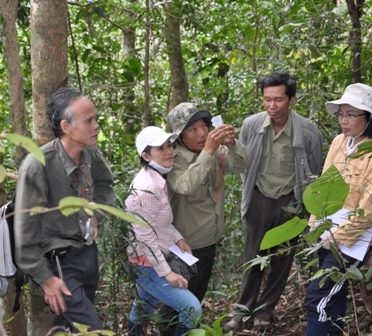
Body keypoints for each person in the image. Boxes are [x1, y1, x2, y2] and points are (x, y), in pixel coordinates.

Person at [223, 71, 323, 332]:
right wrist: (232, 145)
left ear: (292, 99)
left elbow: (314, 171)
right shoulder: (251, 125)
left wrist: (309, 211)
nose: (272, 106)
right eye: (267, 99)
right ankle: (242, 311)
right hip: (259, 199)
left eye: (278, 99)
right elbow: (240, 165)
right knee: (252, 259)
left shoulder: (308, 131)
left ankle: (265, 310)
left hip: (291, 203)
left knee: (281, 260)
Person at [14, 86, 114, 333]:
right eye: (89, 120)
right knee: (93, 330)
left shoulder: (89, 151)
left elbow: (105, 182)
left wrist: (96, 214)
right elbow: (24, 229)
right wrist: (46, 279)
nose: (96, 126)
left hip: (88, 252)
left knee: (68, 328)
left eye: (95, 119)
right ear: (66, 126)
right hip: (59, 263)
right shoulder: (38, 164)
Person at [304, 83, 372, 336]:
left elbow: (368, 207)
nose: (344, 120)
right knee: (334, 295)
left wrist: (338, 236)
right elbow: (323, 186)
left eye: (352, 114)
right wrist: (316, 227)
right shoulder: (339, 143)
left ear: (368, 117)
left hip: (355, 237)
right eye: (341, 114)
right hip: (328, 232)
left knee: (319, 297)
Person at [166, 103, 248, 302]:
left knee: (196, 295)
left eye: (204, 126)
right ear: (179, 136)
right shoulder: (172, 159)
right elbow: (185, 186)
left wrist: (231, 143)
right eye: (193, 129)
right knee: (180, 301)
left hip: (209, 239)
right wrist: (208, 153)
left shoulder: (215, 151)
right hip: (184, 245)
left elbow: (240, 165)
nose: (202, 133)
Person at [126, 126, 201, 336]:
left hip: (153, 258)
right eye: (160, 148)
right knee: (192, 308)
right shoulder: (147, 187)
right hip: (148, 264)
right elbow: (145, 236)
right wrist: (167, 274)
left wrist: (179, 240)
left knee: (143, 308)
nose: (169, 151)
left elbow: (160, 223)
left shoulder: (157, 179)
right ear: (146, 155)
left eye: (169, 145)